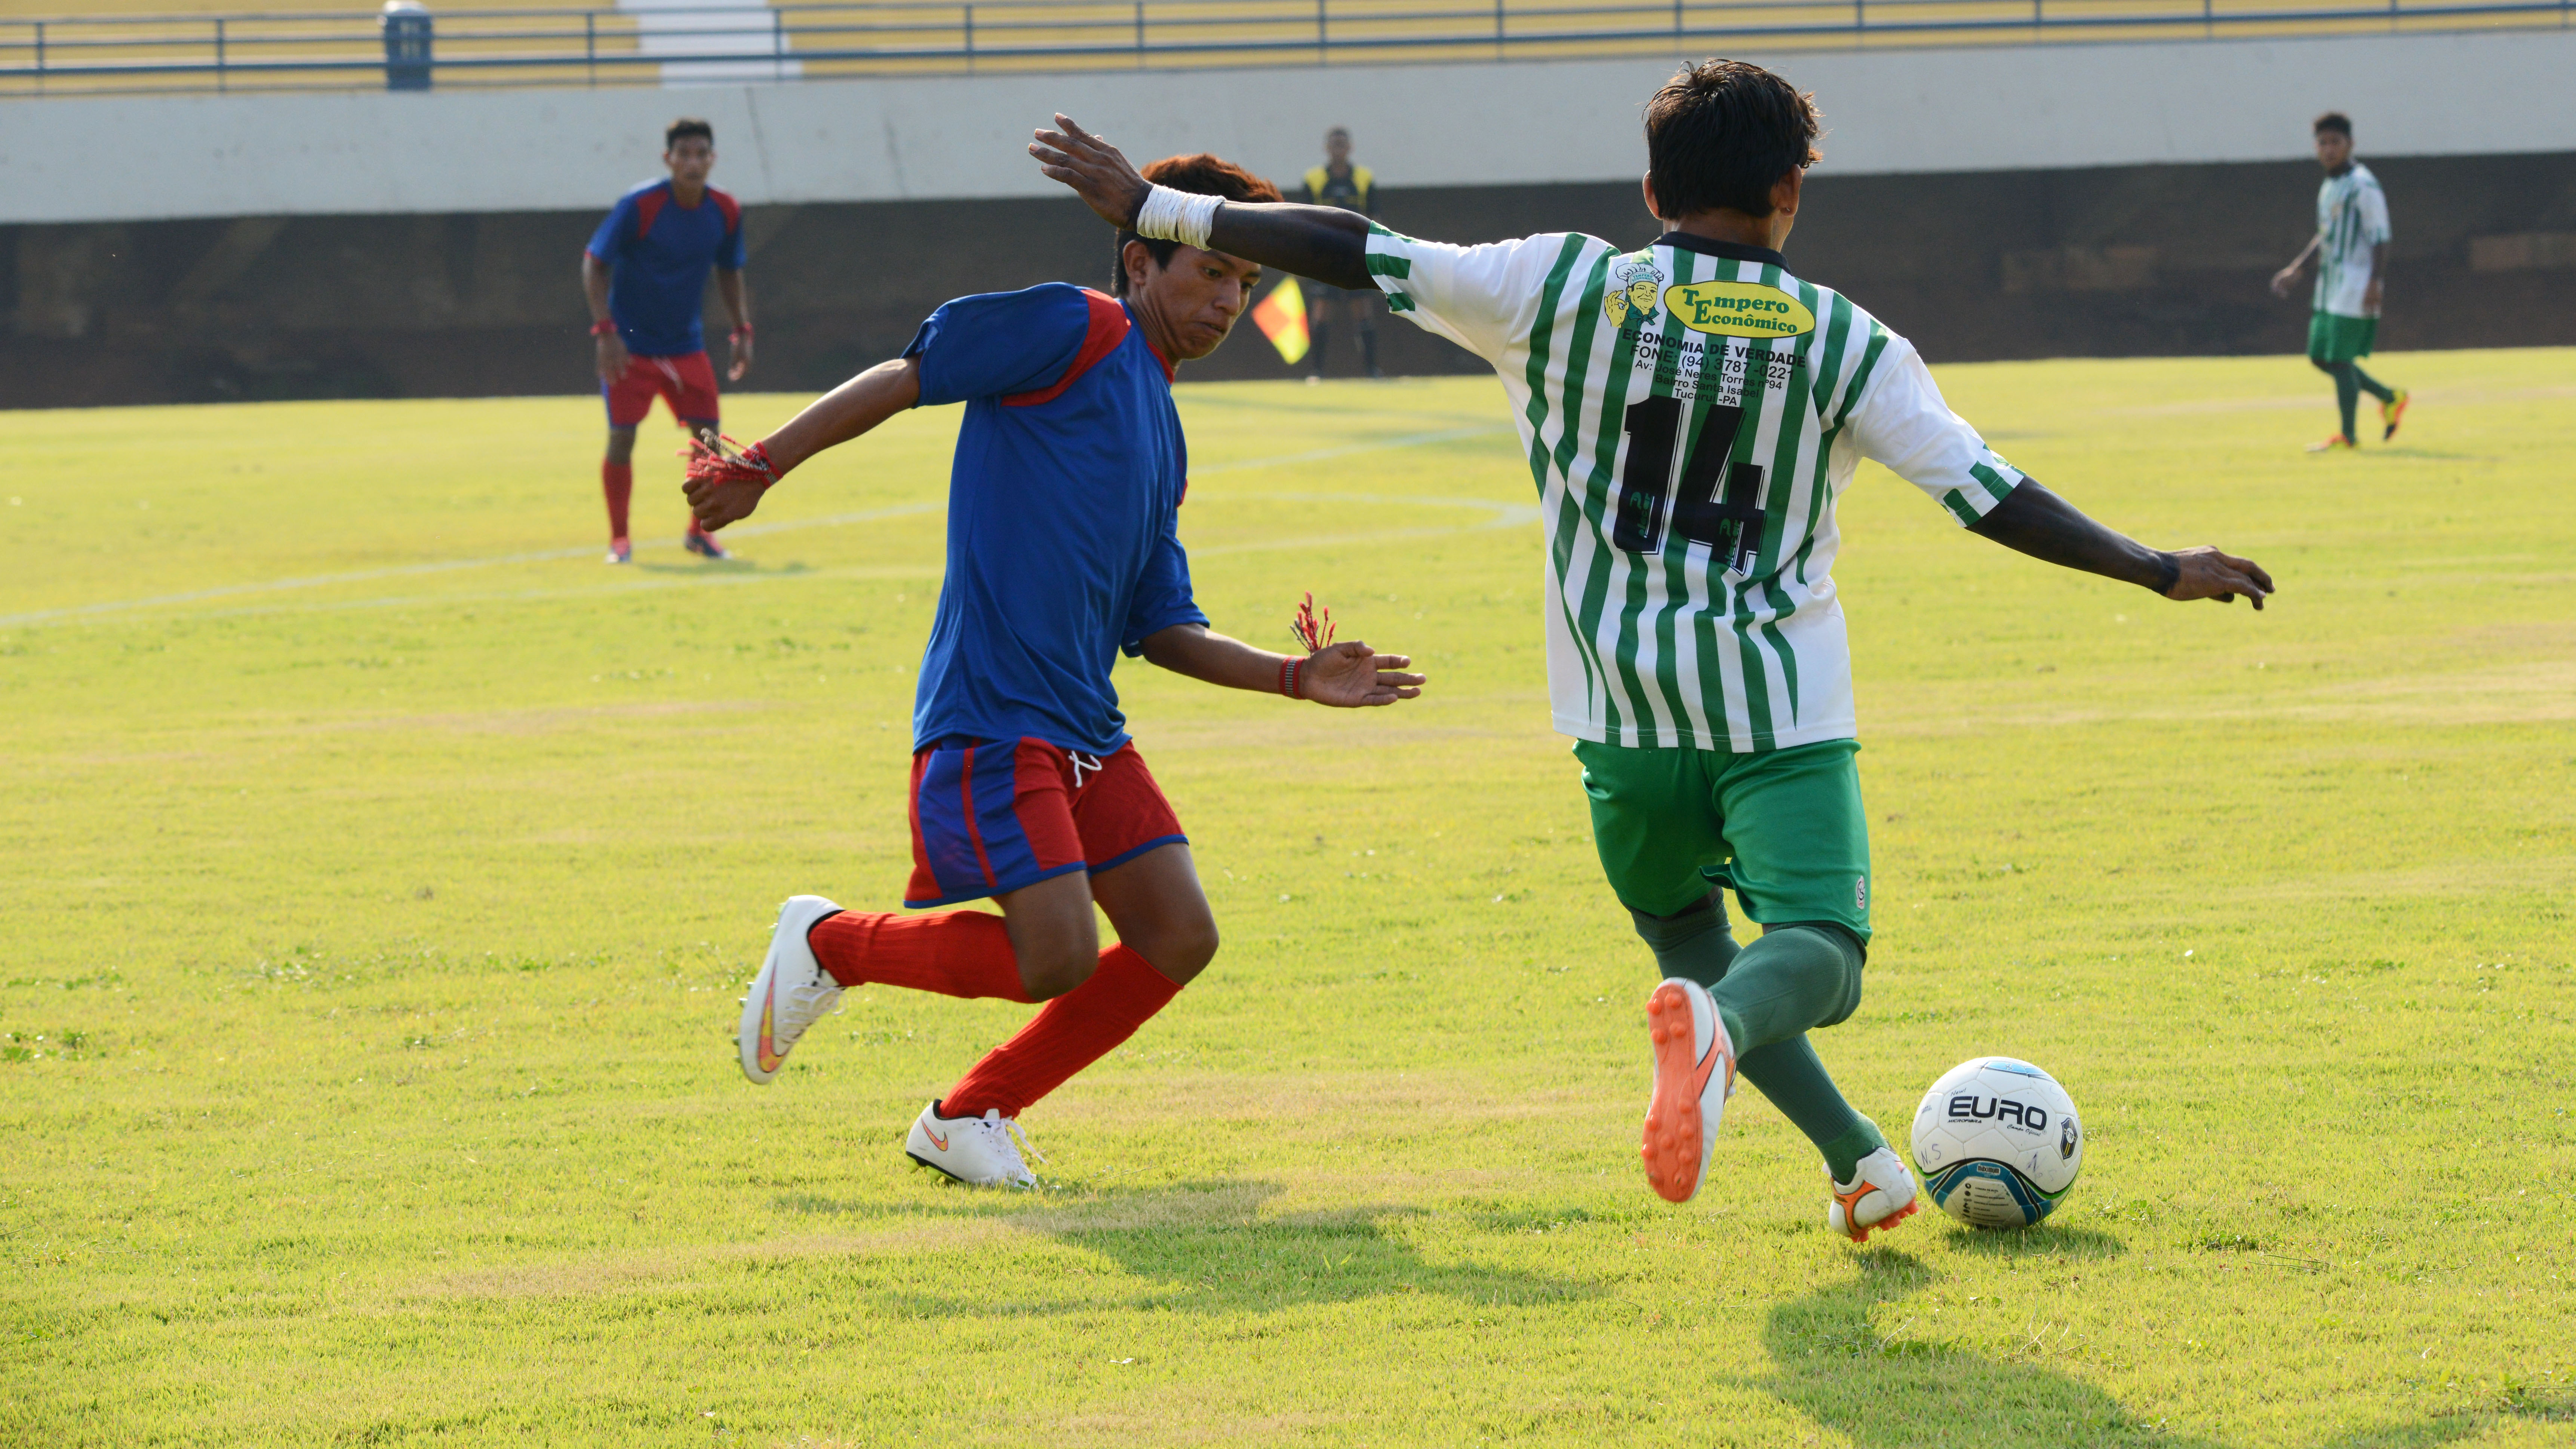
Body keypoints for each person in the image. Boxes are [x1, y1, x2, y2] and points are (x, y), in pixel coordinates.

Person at [1033, 61, 2274, 1240]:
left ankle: (1862, 1166)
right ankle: (1723, 1036)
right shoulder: (1845, 340)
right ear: (1789, 193)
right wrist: (2155, 567)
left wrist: (1156, 204)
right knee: (1824, 959)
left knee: (1686, 937)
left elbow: (1355, 251)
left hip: (1619, 714)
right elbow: (1988, 493)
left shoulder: (1559, 285)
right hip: (1776, 709)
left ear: (1651, 191)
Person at [683, 154, 1426, 1188]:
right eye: (1211, 274)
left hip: (1085, 727)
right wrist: (764, 461)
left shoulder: (1162, 425)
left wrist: (1294, 679)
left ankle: (966, 1116)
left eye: (1246, 285)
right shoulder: (1081, 327)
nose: (1227, 301)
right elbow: (912, 372)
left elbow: (1162, 624)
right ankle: (832, 942)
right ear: (1138, 262)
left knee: (1178, 934)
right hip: (995, 716)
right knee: (1057, 959)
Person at [582, 117, 754, 564]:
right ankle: (619, 542)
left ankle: (700, 534)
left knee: (710, 441)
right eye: (684, 155)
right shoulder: (640, 206)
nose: (693, 163)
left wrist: (742, 329)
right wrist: (606, 332)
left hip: (684, 346)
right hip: (631, 348)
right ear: (668, 159)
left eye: (702, 154)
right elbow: (594, 263)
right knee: (621, 439)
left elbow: (729, 271)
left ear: (712, 159)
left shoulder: (725, 210)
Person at [2270, 112, 2409, 452]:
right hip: (2329, 285)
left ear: (2351, 145)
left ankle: (2349, 437)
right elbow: (2326, 235)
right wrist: (2298, 267)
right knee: (2320, 357)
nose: (2329, 149)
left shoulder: (2364, 186)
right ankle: (2390, 398)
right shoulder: (2331, 185)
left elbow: (2381, 237)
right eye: (2323, 143)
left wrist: (2375, 282)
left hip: (2356, 283)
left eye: (2336, 142)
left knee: (2340, 360)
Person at [1297, 127, 1383, 379]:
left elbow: (1376, 219)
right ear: (1326, 148)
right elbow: (1303, 219)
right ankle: (1317, 373)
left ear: (1350, 148)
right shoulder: (1313, 179)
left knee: (1363, 310)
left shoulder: (1364, 178)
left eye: (1343, 144)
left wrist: (1374, 253)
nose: (1338, 149)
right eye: (1334, 144)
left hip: (1356, 255)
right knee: (1321, 312)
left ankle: (1372, 371)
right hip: (1325, 256)